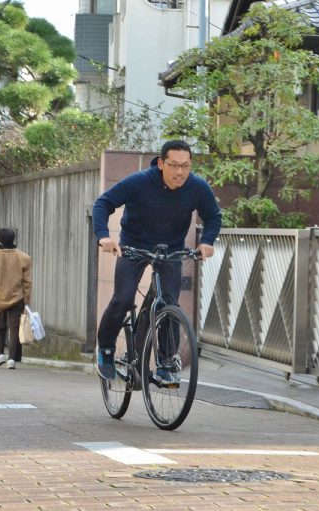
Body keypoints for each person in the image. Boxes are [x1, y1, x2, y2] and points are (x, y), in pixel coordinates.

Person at [92, 139, 222, 382]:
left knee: (169, 304)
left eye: (186, 166)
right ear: (162, 163)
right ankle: (106, 350)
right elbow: (104, 203)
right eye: (174, 165)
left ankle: (165, 361)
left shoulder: (197, 187)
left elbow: (213, 216)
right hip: (133, 246)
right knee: (123, 298)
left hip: (170, 249)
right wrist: (104, 237)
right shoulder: (139, 182)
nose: (180, 172)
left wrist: (207, 241)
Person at [0, 228, 32, 369]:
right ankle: (12, 359)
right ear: (13, 238)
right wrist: (27, 298)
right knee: (15, 329)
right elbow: (27, 281)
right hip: (17, 297)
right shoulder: (24, 257)